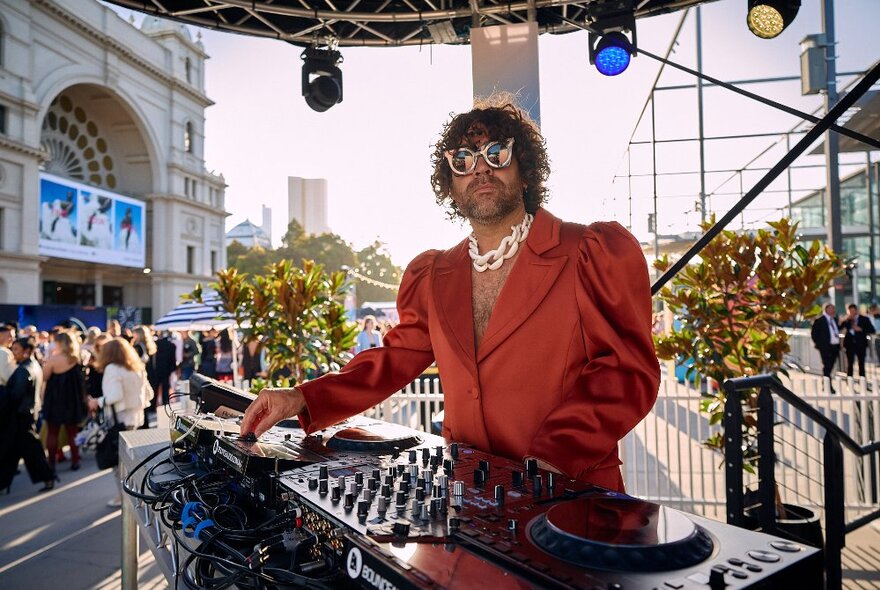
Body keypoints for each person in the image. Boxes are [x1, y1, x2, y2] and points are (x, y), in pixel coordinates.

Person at [242, 98, 660, 491]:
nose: (479, 169)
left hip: (570, 495)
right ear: (450, 182)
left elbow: (625, 372)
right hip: (468, 496)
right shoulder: (434, 273)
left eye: (496, 153)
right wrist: (302, 397)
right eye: (463, 160)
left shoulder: (590, 251)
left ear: (526, 169)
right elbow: (390, 361)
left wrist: (553, 457)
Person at [89, 337, 153, 506]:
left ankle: (124, 497)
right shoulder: (137, 368)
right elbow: (149, 395)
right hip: (136, 418)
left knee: (119, 462)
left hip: (120, 419)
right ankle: (131, 494)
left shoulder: (112, 369)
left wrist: (98, 401)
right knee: (127, 459)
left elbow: (115, 396)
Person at [0, 336, 56, 493]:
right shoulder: (32, 366)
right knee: (11, 451)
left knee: (31, 451)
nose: (13, 352)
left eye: (16, 349)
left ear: (26, 352)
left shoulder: (23, 370)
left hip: (22, 417)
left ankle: (48, 478)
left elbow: (15, 395)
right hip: (27, 414)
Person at [41, 331, 88, 472]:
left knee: (53, 432)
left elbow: (44, 376)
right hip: (72, 400)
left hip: (55, 400)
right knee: (72, 432)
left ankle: (51, 464)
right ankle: (75, 460)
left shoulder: (54, 359)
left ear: (60, 343)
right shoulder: (77, 358)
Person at [811, 303, 842, 392]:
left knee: (831, 366)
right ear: (826, 309)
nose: (833, 310)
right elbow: (814, 334)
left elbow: (837, 329)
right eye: (831, 309)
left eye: (833, 309)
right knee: (827, 366)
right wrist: (820, 344)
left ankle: (827, 383)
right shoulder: (820, 320)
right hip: (825, 348)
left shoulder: (834, 320)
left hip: (835, 346)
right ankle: (827, 385)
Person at [841, 303, 875, 378]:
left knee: (861, 364)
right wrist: (844, 319)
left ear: (856, 310)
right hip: (849, 344)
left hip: (861, 344)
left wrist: (861, 329)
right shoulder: (847, 319)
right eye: (850, 311)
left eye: (853, 311)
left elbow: (872, 330)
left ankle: (862, 381)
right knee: (850, 364)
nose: (852, 313)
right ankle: (849, 381)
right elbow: (839, 327)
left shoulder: (864, 319)